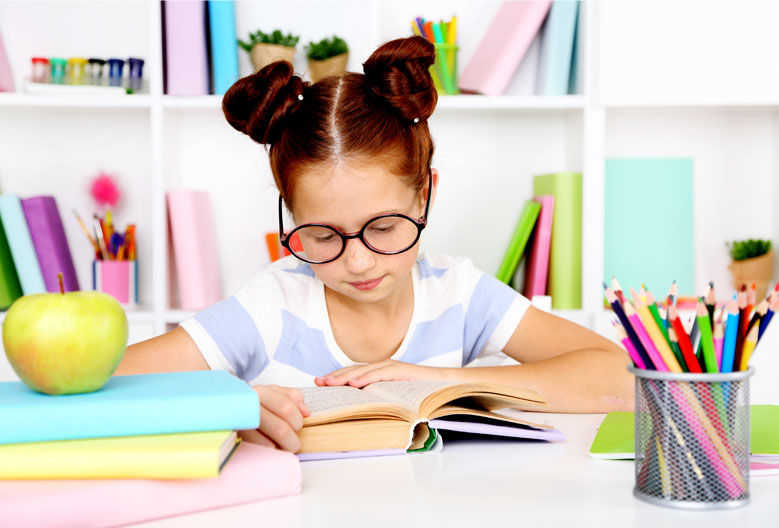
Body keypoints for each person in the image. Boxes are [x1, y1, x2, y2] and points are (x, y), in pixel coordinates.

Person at [116, 36, 633, 452]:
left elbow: (620, 377)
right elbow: (109, 384)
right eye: (321, 235)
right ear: (289, 213)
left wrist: (434, 384)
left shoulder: (460, 295)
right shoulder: (270, 309)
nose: (358, 260)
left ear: (425, 193)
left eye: (383, 228)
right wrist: (228, 406)